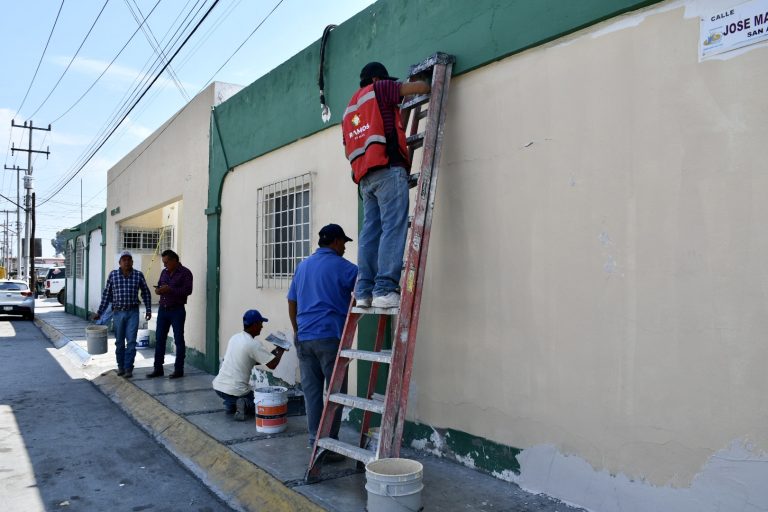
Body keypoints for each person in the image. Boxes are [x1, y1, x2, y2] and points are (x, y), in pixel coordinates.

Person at [342, 62, 430, 309]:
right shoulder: (380, 89)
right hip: (388, 171)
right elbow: (421, 88)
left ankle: (364, 291)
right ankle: (384, 288)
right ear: (378, 78)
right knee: (393, 227)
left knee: (371, 233)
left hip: (365, 179)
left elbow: (353, 143)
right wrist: (426, 81)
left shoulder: (349, 111)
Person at [287, 224, 357, 448]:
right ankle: (329, 443)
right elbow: (364, 294)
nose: (345, 248)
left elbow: (292, 300)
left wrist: (297, 330)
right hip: (330, 337)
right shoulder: (347, 268)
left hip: (305, 337)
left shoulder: (303, 266)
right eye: (344, 243)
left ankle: (314, 440)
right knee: (335, 394)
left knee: (313, 393)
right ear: (335, 242)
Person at [212, 310, 285, 421]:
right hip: (236, 390)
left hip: (219, 387)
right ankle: (243, 404)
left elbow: (256, 360)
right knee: (262, 403)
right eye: (261, 324)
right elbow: (273, 365)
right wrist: (281, 349)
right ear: (255, 325)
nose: (262, 327)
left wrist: (275, 352)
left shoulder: (235, 338)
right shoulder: (253, 344)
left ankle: (231, 404)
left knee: (233, 394)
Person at [93, 251, 152, 379]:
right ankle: (121, 366)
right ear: (119, 263)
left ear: (132, 262)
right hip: (118, 313)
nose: (126, 262)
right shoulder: (113, 275)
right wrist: (100, 312)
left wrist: (148, 309)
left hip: (133, 312)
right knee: (119, 342)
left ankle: (128, 368)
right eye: (123, 260)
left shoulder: (138, 275)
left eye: (128, 259)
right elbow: (106, 295)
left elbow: (146, 293)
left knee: (131, 341)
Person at [147, 249, 193, 379]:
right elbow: (161, 285)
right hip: (163, 309)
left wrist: (170, 289)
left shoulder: (185, 273)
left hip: (177, 310)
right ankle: (158, 368)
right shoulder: (164, 272)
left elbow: (188, 291)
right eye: (163, 262)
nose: (165, 265)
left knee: (178, 339)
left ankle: (179, 370)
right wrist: (159, 290)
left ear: (174, 260)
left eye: (166, 262)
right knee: (160, 339)